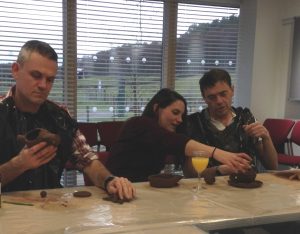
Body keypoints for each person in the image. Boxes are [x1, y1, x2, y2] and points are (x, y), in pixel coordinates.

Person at [0, 40, 135, 201]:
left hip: (50, 208)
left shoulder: (60, 116)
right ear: (15, 70)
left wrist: (109, 180)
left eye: (50, 79)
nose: (43, 85)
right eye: (36, 75)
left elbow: (86, 159)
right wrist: (19, 164)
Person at [106, 88, 251, 182]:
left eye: (182, 115)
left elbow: (191, 174)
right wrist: (218, 153)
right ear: (157, 108)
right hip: (117, 190)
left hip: (142, 191)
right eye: (175, 113)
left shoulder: (168, 134)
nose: (180, 120)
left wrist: (221, 169)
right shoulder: (138, 124)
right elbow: (176, 142)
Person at [183, 68, 278, 176]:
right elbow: (189, 173)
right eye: (212, 97)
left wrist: (266, 138)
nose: (219, 101)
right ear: (204, 98)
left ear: (232, 90)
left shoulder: (245, 118)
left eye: (223, 94)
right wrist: (219, 170)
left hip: (247, 184)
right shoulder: (195, 123)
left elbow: (272, 166)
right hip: (210, 187)